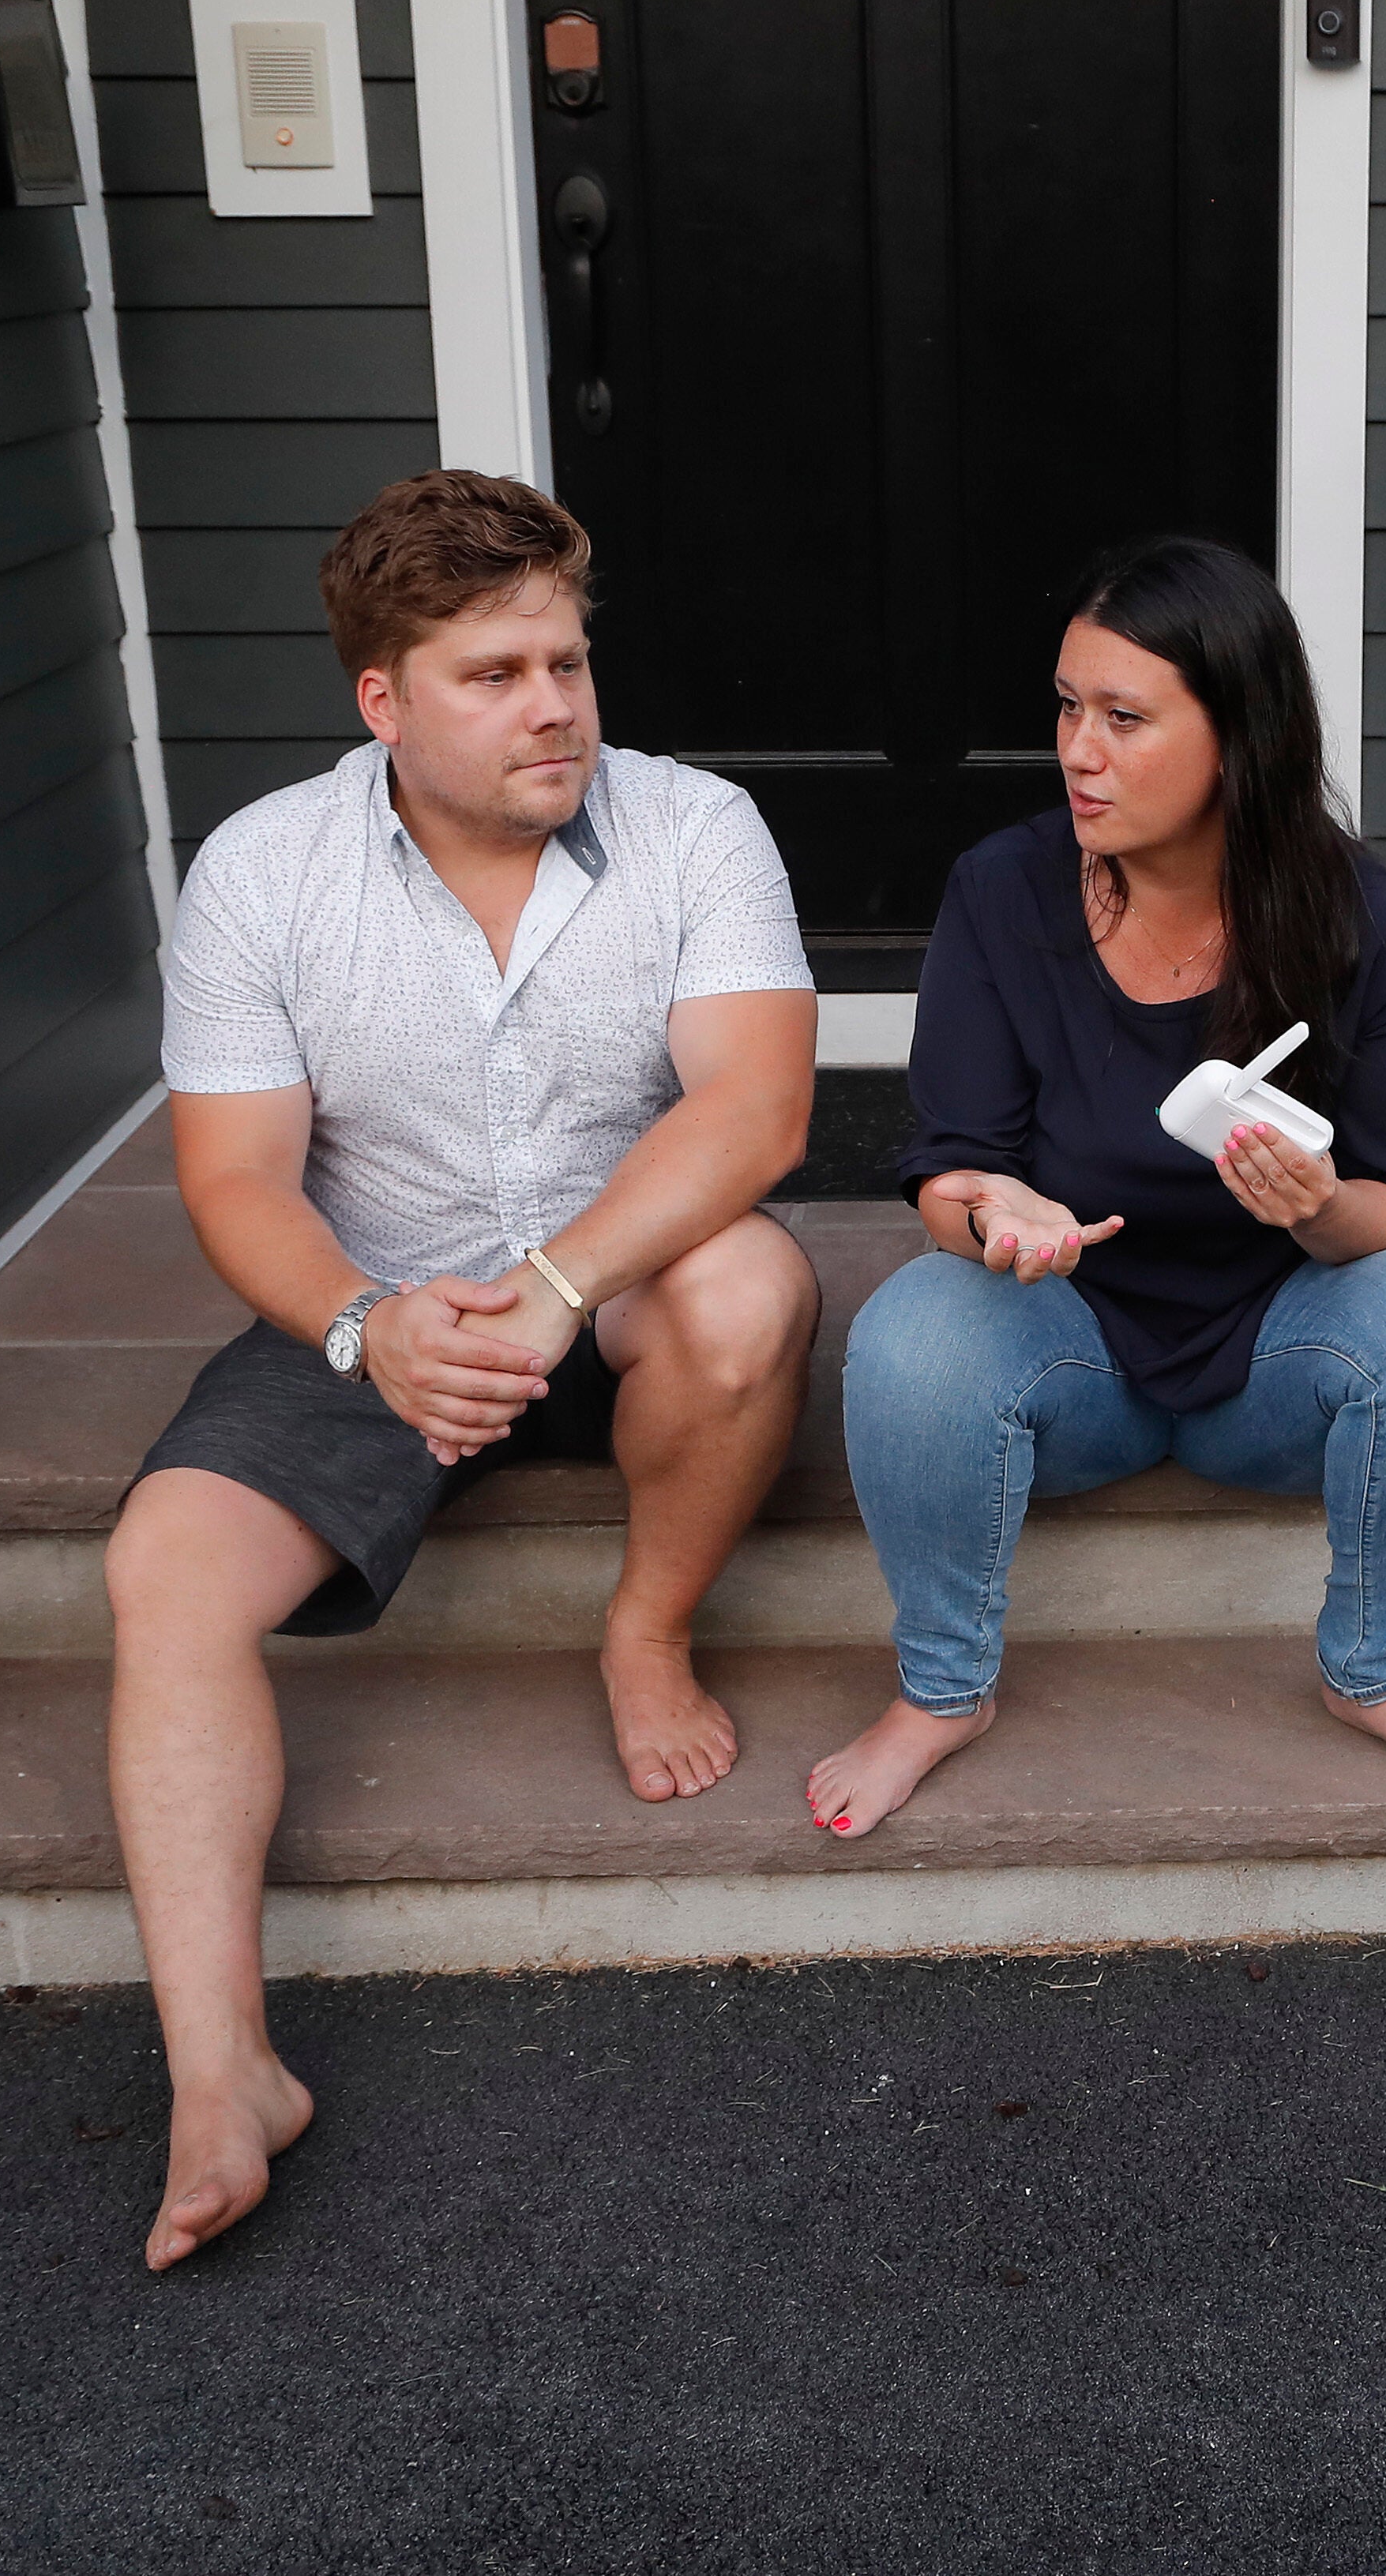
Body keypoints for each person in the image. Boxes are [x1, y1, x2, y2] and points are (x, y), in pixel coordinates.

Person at [104, 471, 819, 2270]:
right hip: (378, 1306)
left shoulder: (696, 827)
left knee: (750, 1287)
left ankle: (645, 1629)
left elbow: (755, 1109)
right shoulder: (262, 871)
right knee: (164, 1567)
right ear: (384, 700)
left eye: (565, 661)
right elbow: (235, 1181)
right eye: (494, 675)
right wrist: (369, 1322)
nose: (553, 706)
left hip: (620, 1283)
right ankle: (222, 2072)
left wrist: (564, 1281)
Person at [813, 535, 1386, 1840]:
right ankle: (941, 1693)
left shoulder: (1364, 917)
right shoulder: (1004, 890)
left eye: (1124, 718)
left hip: (1278, 1358)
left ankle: (1374, 1672)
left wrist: (1315, 1206)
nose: (1077, 751)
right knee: (913, 1326)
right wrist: (997, 1216)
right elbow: (949, 1165)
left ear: (1238, 734)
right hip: (1067, 1343)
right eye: (1066, 708)